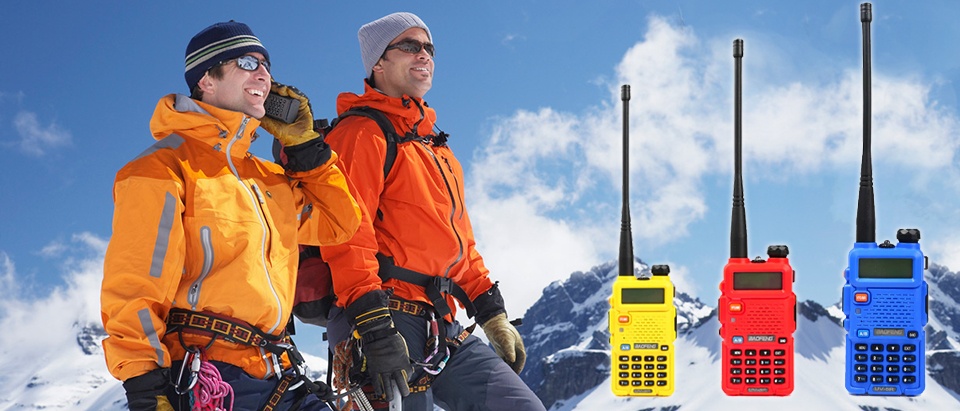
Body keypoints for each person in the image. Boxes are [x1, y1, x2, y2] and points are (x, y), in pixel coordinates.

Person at [100, 21, 361, 411]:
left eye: (266, 66)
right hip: (209, 378)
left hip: (279, 372)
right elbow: (135, 284)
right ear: (206, 79)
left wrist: (306, 148)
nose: (264, 75)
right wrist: (144, 384)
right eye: (247, 63)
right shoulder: (161, 169)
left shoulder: (269, 178)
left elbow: (340, 223)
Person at [320, 12, 546, 411]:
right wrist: (373, 326)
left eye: (429, 48)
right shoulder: (360, 134)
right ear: (378, 63)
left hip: (440, 324)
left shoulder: (436, 149)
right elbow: (346, 237)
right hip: (382, 316)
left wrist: (491, 312)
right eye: (409, 46)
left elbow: (460, 247)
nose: (423, 54)